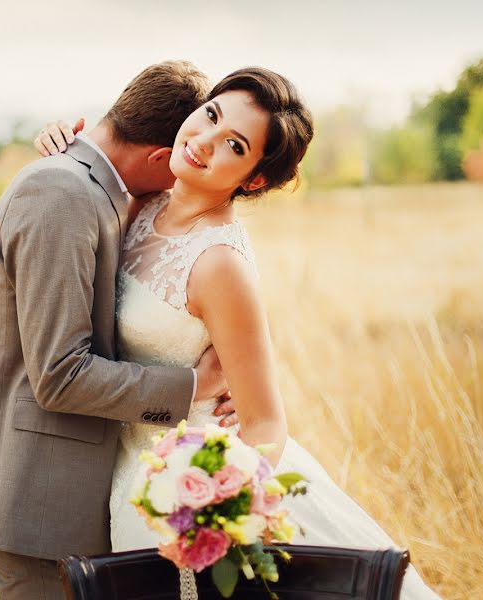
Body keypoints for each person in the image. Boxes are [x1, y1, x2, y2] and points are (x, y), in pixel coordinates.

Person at [35, 66, 443, 599]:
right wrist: (63, 148)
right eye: (210, 115)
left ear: (253, 178)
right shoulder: (145, 204)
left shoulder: (219, 263)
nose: (204, 141)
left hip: (188, 495)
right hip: (128, 480)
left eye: (233, 144)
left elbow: (266, 423)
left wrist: (212, 513)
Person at [0, 61, 240, 600]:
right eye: (175, 166)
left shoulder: (93, 188)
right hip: (40, 506)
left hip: (79, 497)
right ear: (159, 155)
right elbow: (59, 376)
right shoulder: (61, 194)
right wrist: (194, 387)